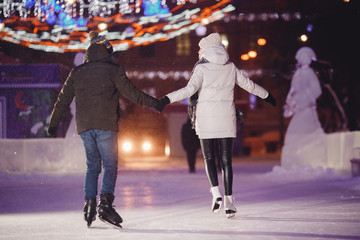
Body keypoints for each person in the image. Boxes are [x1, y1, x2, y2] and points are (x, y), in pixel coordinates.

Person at [155, 33, 276, 218]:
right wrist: (267, 96)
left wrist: (166, 99)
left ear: (206, 49)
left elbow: (189, 90)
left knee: (209, 158)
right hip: (226, 116)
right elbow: (249, 85)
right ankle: (229, 200)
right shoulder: (230, 67)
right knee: (227, 161)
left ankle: (215, 193)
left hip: (206, 118)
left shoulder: (201, 68)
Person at [48, 31, 159, 228]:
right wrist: (155, 104)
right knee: (109, 165)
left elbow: (62, 100)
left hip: (84, 126)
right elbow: (132, 94)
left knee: (92, 166)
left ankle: (89, 205)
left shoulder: (77, 72)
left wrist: (53, 124)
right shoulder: (113, 70)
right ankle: (105, 205)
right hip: (106, 125)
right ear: (107, 53)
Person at [282, 46, 326, 169]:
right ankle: (294, 162)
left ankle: (307, 161)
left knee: (304, 132)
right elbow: (293, 90)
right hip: (299, 110)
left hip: (306, 109)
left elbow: (317, 90)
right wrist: (290, 101)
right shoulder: (298, 73)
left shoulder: (309, 73)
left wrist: (306, 98)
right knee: (293, 133)